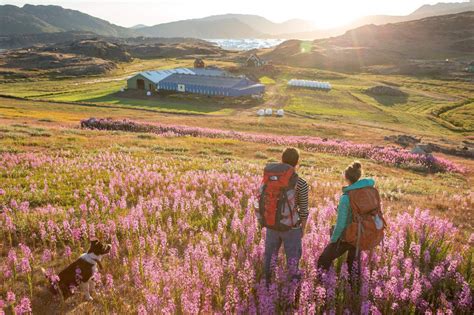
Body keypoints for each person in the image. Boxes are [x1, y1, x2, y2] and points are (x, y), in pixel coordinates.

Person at [317, 161, 376, 278]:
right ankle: (356, 291)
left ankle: (322, 283)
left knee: (323, 260)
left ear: (346, 177)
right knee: (353, 266)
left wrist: (333, 240)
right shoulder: (365, 192)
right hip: (361, 233)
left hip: (348, 235)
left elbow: (340, 224)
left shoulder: (346, 197)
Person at [260, 147, 309, 282]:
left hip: (271, 224)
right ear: (297, 162)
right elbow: (304, 210)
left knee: (269, 259)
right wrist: (302, 228)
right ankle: (293, 289)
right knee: (293, 261)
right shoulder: (301, 183)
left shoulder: (270, 178)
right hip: (291, 228)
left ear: (282, 160)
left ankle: (267, 283)